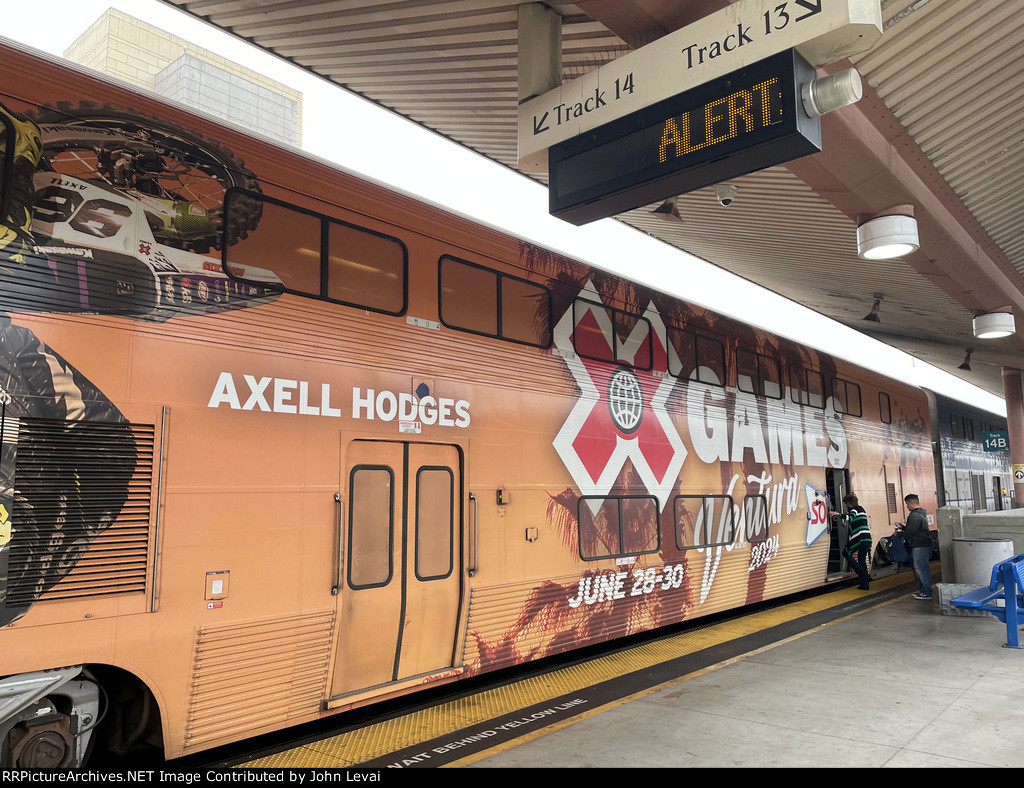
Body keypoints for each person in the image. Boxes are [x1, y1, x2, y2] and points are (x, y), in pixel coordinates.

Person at [831, 494, 872, 590]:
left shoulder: (854, 509)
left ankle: (862, 574)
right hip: (866, 538)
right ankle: (864, 585)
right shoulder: (862, 509)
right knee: (861, 560)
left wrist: (837, 514)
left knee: (846, 553)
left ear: (849, 503)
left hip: (859, 538)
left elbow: (849, 517)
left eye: (846, 504)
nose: (846, 505)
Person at [896, 493, 933, 599]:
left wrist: (899, 534)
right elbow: (913, 529)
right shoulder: (921, 513)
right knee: (923, 568)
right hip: (923, 545)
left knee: (922, 569)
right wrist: (904, 528)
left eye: (907, 504)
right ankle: (924, 590)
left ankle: (926, 592)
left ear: (911, 503)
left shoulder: (914, 515)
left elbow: (910, 531)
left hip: (919, 546)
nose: (907, 506)